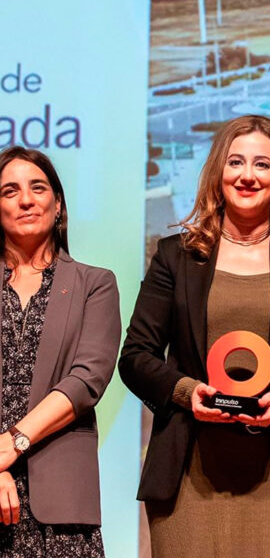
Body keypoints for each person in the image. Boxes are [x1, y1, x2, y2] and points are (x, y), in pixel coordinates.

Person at [118, 115, 270, 558]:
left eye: (262, 165)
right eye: (236, 162)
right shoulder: (176, 256)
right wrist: (187, 392)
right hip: (188, 472)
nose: (248, 175)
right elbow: (136, 356)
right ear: (217, 173)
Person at [0, 146, 120, 556]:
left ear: (58, 204)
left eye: (38, 187)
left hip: (62, 507)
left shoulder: (95, 284)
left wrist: (12, 442)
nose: (26, 200)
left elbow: (87, 380)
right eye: (9, 191)